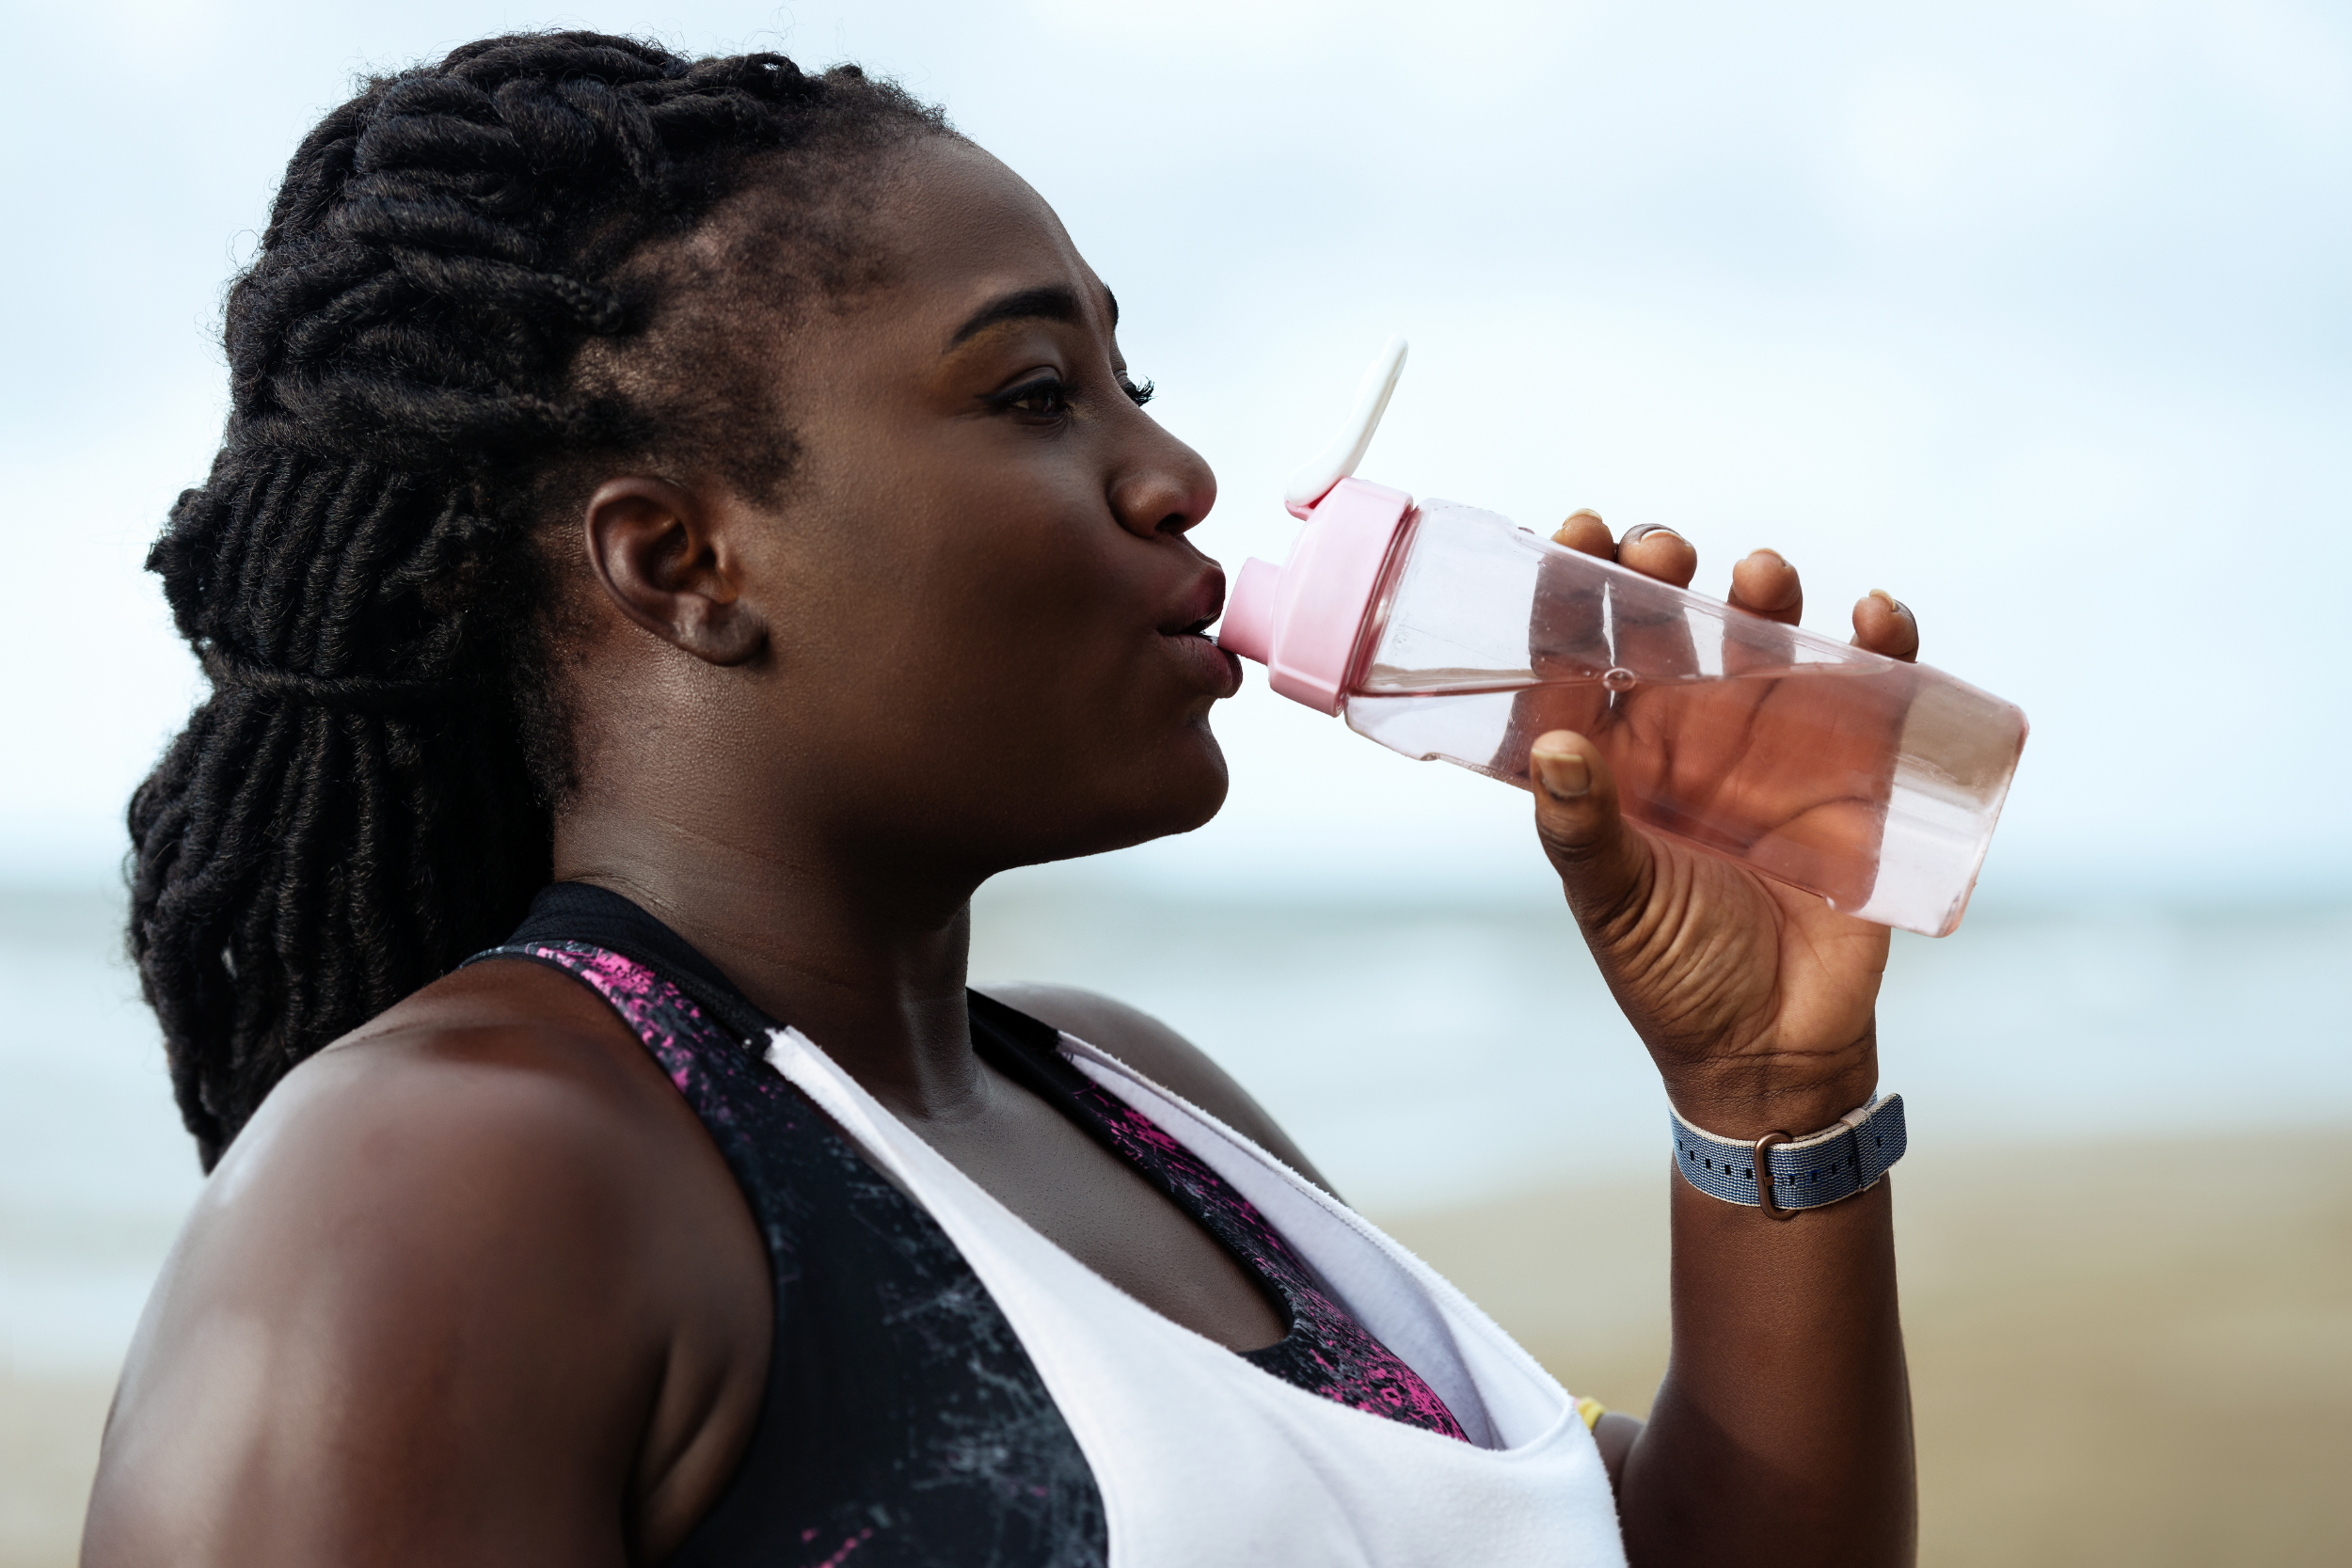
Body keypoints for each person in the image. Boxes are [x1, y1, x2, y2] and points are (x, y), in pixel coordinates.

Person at [87, 31, 1918, 1568]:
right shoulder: (452, 1181)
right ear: (681, 563)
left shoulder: (1138, 1101)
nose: (1177, 471)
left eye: (1134, 382)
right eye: (1034, 391)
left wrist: (1764, 1097)